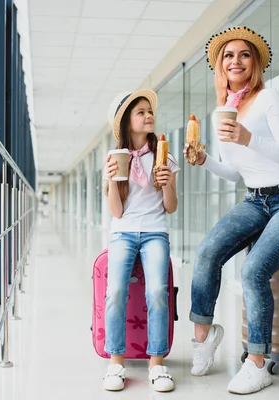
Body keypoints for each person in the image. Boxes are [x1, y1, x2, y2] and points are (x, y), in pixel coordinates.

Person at [184, 26, 279, 394]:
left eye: (244, 55)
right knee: (208, 250)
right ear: (220, 66)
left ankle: (257, 363)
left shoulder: (270, 99)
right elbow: (235, 172)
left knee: (254, 269)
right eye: (228, 55)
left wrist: (249, 137)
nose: (236, 61)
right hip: (256, 199)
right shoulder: (221, 112)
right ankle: (204, 336)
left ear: (255, 63)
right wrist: (205, 160)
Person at [102, 89, 180, 392]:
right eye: (141, 112)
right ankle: (116, 362)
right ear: (127, 122)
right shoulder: (114, 158)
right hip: (123, 231)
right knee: (116, 291)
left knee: (159, 291)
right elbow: (117, 212)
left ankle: (157, 363)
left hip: (155, 232)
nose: (149, 116)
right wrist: (111, 181)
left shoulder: (165, 156)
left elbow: (171, 207)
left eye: (150, 112)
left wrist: (169, 184)